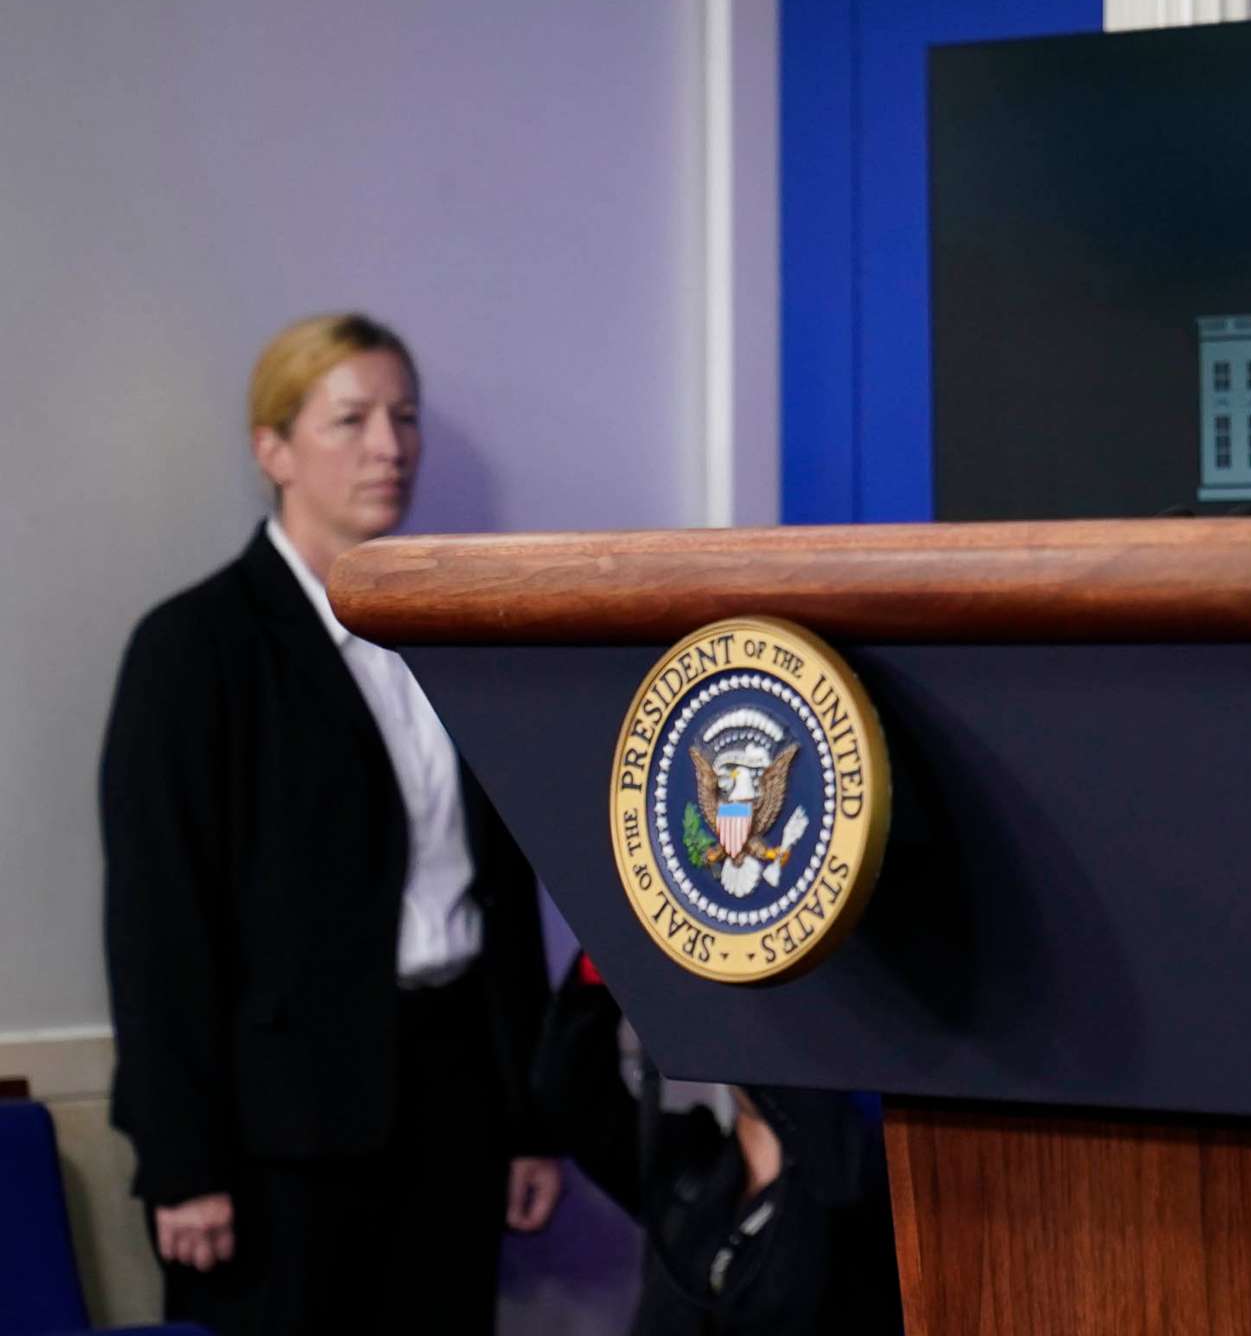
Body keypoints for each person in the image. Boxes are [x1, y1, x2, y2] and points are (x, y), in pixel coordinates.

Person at [99, 313, 561, 1335]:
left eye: (404, 417)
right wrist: (183, 1163)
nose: (390, 446)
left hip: (455, 1103)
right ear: (273, 449)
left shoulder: (460, 637)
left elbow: (502, 888)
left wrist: (534, 1121)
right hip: (278, 1144)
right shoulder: (195, 646)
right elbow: (160, 924)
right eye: (350, 420)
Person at [529, 953, 904, 1335]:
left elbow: (832, 1150)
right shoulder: (691, 1166)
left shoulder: (860, 1180)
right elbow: (570, 1095)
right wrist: (611, 954)